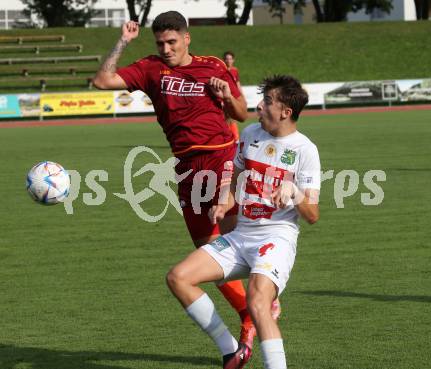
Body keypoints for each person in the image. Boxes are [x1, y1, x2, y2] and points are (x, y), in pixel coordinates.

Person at [92, 11, 258, 356]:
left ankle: (259, 305)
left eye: (172, 41)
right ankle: (248, 314)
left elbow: (242, 113)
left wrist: (226, 93)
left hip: (222, 159)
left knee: (232, 243)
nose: (166, 49)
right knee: (208, 252)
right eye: (160, 43)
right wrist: (123, 40)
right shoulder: (150, 68)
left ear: (186, 38)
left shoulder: (212, 66)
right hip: (187, 169)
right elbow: (103, 81)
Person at [166, 75, 321, 369]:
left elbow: (312, 214)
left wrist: (295, 191)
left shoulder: (304, 150)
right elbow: (235, 173)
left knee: (258, 302)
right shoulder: (250, 134)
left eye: (267, 102)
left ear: (286, 112)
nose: (259, 106)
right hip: (240, 237)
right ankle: (230, 350)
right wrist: (224, 202)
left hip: (276, 239)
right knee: (179, 278)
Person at [223, 51, 242, 143]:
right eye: (226, 59)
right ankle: (233, 138)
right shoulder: (221, 70)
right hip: (224, 97)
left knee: (231, 117)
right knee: (226, 118)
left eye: (230, 59)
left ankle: (234, 138)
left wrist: (241, 95)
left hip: (233, 97)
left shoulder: (235, 70)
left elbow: (237, 83)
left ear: (233, 60)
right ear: (224, 60)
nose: (228, 60)